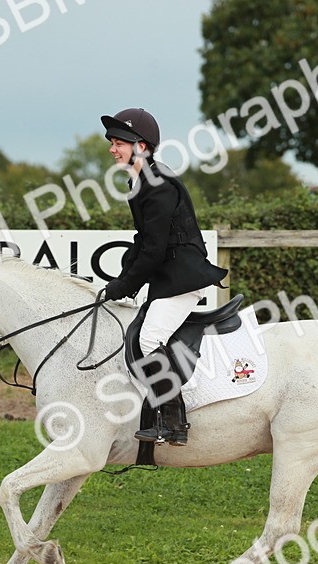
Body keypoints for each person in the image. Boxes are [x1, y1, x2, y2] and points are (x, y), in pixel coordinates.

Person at [99, 107, 228, 446]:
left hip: (182, 277)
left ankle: (174, 422)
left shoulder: (157, 185)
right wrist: (124, 276)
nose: (112, 149)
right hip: (168, 275)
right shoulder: (139, 180)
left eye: (119, 143)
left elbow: (155, 251)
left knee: (147, 340)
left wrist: (125, 285)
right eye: (112, 142)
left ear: (141, 146)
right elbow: (144, 241)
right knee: (140, 333)